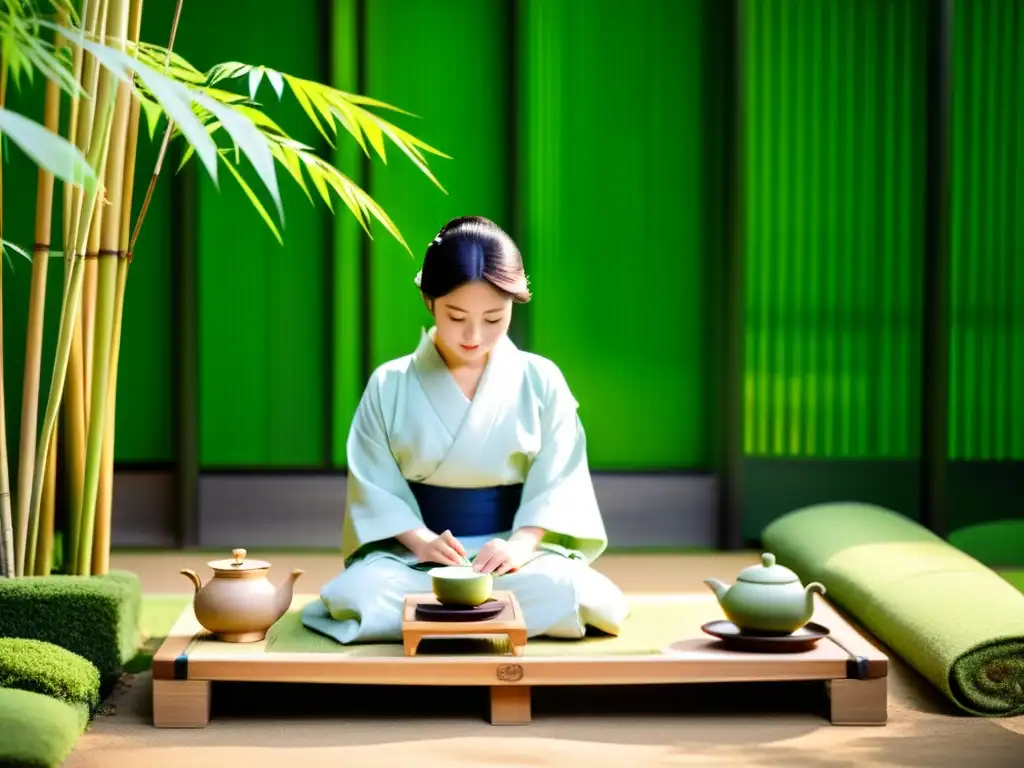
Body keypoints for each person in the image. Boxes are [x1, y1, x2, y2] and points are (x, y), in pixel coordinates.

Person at [302, 215, 630, 644]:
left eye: (494, 318)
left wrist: (519, 546)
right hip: (415, 560)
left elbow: (560, 480)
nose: (474, 335)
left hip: (515, 558)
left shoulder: (541, 379)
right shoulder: (390, 382)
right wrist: (420, 542)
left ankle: (433, 620)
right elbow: (373, 484)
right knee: (363, 594)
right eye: (457, 316)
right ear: (429, 300)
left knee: (570, 590)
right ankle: (486, 616)